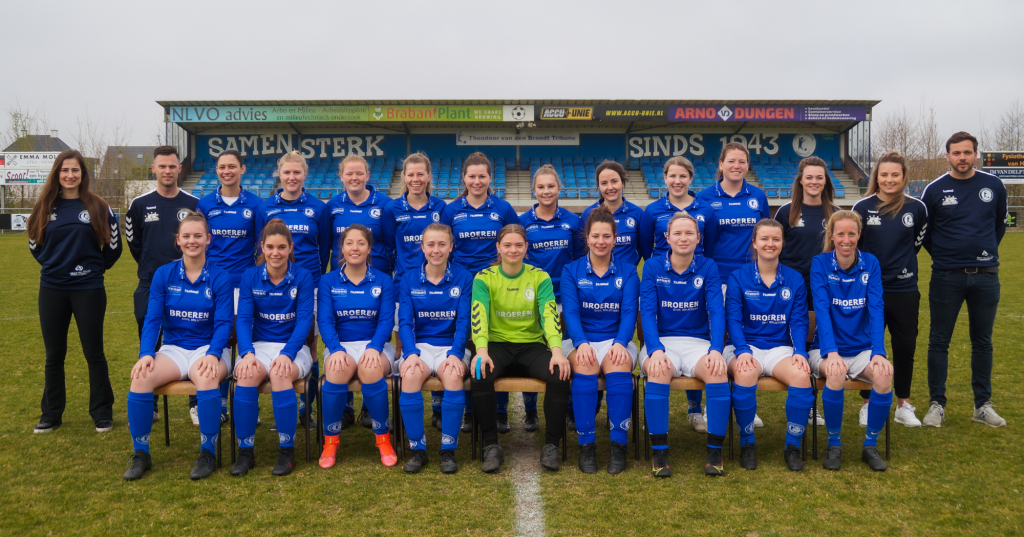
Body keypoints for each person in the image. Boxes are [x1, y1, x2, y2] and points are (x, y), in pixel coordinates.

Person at [122, 212, 233, 481]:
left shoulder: (220, 277)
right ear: (178, 240)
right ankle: (141, 454)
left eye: (198, 236)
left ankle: (208, 452)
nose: (192, 241)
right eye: (186, 236)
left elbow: (224, 324)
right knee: (141, 376)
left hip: (209, 349)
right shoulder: (164, 274)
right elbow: (152, 319)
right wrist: (146, 353)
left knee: (207, 378)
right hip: (174, 350)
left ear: (208, 239)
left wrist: (213, 353)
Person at [28, 150, 121, 434]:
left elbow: (114, 247)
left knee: (94, 352)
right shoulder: (44, 205)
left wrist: (93, 270)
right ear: (57, 173)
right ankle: (51, 414)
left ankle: (102, 413)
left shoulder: (98, 205)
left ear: (83, 174)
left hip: (89, 289)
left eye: (75, 171)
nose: (70, 175)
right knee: (54, 354)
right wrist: (53, 267)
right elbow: (34, 244)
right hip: (52, 289)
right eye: (65, 170)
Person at [919, 131, 1008, 427]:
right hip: (946, 277)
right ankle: (936, 405)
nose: (962, 158)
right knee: (938, 341)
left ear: (975, 154)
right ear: (947, 156)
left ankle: (982, 405)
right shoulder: (933, 190)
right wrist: (947, 257)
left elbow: (998, 226)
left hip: (986, 276)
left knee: (983, 342)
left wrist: (982, 254)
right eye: (956, 153)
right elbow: (925, 234)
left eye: (967, 152)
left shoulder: (993, 185)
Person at [470, 224, 570, 473]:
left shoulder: (539, 276)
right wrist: (481, 350)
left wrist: (556, 350)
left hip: (531, 346)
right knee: (480, 371)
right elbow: (478, 315)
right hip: (497, 346)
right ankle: (491, 445)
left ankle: (551, 445)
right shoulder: (484, 278)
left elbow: (549, 315)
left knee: (559, 373)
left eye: (518, 245)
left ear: (526, 248)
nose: (513, 250)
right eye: (507, 245)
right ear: (498, 248)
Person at [639, 212, 729, 477]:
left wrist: (715, 349)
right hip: (662, 342)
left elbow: (716, 311)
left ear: (699, 237)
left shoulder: (708, 266)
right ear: (666, 237)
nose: (683, 238)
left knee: (717, 371)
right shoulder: (654, 267)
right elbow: (647, 312)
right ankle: (660, 454)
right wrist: (655, 349)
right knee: (657, 371)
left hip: (698, 344)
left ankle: (714, 452)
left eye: (689, 233)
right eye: (677, 233)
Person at [440, 152, 521, 434]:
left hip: (495, 284)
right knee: (466, 344)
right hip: (461, 286)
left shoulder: (503, 208)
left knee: (494, 344)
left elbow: (513, 242)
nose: (477, 181)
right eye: (471, 176)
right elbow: (444, 248)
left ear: (490, 178)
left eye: (482, 176)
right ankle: (469, 410)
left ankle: (499, 412)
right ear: (463, 178)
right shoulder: (451, 211)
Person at [724, 219, 813, 472]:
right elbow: (733, 319)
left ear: (782, 243)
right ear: (754, 242)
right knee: (745, 371)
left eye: (776, 239)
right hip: (743, 346)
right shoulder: (738, 277)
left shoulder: (794, 279)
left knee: (801, 375)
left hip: (778, 348)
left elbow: (798, 321)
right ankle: (747, 443)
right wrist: (742, 350)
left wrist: (799, 352)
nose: (770, 244)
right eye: (764, 239)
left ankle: (792, 446)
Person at [230, 219, 315, 477]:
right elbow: (243, 319)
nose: (275, 253)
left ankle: (286, 451)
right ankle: (246, 452)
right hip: (257, 347)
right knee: (245, 374)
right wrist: (247, 353)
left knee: (280, 374)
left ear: (290, 248)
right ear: (262, 248)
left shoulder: (303, 276)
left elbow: (304, 322)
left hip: (294, 348)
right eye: (270, 247)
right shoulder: (250, 276)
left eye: (281, 247)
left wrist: (287, 354)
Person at [808, 211, 892, 472]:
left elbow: (877, 308)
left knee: (884, 375)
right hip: (824, 349)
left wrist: (878, 351)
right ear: (831, 236)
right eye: (840, 234)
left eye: (851, 234)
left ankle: (870, 445)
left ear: (859, 235)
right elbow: (821, 309)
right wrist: (831, 352)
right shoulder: (820, 263)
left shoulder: (871, 263)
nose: (846, 239)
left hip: (862, 350)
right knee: (835, 373)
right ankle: (834, 444)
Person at [638, 156, 715, 432]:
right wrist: (662, 268)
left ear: (691, 179)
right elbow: (647, 248)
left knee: (697, 333)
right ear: (665, 178)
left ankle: (695, 409)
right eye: (672, 176)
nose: (677, 181)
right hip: (661, 278)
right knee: (667, 327)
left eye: (683, 176)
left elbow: (711, 245)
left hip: (698, 276)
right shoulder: (652, 210)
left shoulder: (705, 209)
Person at [852, 151, 928, 428]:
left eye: (895, 174)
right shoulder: (862, 207)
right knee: (869, 348)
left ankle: (903, 404)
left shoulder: (917, 208)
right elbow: (855, 248)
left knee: (905, 346)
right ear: (876, 177)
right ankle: (867, 403)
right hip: (869, 291)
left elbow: (917, 243)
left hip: (905, 289)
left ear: (904, 176)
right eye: (884, 174)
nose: (889, 179)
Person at [560, 207, 638, 474]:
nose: (601, 241)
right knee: (585, 368)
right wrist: (581, 343)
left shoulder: (628, 271)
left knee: (618, 370)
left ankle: (618, 446)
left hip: (617, 339)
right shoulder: (571, 270)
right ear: (587, 237)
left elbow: (629, 311)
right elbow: (569, 311)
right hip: (581, 341)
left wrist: (620, 342)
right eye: (596, 236)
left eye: (607, 236)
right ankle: (586, 446)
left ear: (615, 238)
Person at [255, 151, 330, 428]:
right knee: (277, 339)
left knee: (309, 346)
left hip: (309, 285)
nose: (291, 177)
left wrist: (314, 279)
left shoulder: (318, 208)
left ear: (304, 174)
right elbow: (259, 247)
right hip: (275, 285)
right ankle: (282, 404)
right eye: (286, 172)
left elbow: (324, 248)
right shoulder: (265, 208)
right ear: (280, 174)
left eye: (296, 172)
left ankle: (305, 409)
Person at [125, 145, 199, 421]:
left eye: (172, 166)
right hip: (150, 284)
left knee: (193, 340)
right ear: (153, 169)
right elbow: (134, 243)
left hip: (189, 284)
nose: (167, 171)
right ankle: (151, 403)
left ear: (179, 169)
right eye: (162, 166)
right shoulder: (140, 204)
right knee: (150, 342)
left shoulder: (193, 204)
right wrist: (152, 271)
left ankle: (196, 403)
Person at [317, 224, 398, 468]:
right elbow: (325, 321)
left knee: (370, 369)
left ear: (369, 247)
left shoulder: (383, 280)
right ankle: (330, 442)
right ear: (341, 248)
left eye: (361, 243)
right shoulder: (328, 280)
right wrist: (336, 348)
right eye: (349, 243)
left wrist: (374, 347)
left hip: (376, 345)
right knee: (336, 369)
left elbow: (386, 320)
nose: (355, 248)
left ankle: (383, 439)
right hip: (340, 345)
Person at [396, 223, 473, 474]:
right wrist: (411, 353)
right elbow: (405, 322)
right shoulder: (408, 278)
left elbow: (464, 322)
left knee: (453, 375)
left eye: (442, 244)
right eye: (430, 244)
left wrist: (456, 353)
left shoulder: (463, 277)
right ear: (422, 247)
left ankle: (447, 450)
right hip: (419, 347)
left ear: (451, 246)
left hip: (451, 346)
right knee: (409, 375)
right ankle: (418, 450)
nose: (436, 250)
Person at [326, 154, 394, 429]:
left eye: (359, 173)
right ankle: (344, 407)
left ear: (368, 175)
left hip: (374, 282)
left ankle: (369, 407)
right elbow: (325, 244)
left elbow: (390, 245)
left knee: (371, 337)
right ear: (341, 176)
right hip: (341, 283)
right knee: (342, 338)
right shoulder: (331, 206)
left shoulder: (384, 205)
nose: (354, 178)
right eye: (348, 174)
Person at [196, 149, 262, 424]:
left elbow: (260, 245)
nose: (227, 171)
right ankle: (221, 405)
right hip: (215, 285)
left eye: (232, 166)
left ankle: (249, 406)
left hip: (245, 285)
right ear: (217, 170)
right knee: (220, 341)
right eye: (222, 166)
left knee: (247, 342)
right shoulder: (205, 204)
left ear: (242, 169)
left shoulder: (256, 205)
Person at [383, 153, 448, 430]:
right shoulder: (392, 209)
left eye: (421, 174)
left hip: (436, 284)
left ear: (429, 176)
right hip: (404, 287)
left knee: (437, 336)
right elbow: (388, 248)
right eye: (411, 174)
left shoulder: (441, 207)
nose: (416, 179)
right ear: (404, 177)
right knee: (405, 345)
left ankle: (437, 405)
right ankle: (405, 406)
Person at [774, 156, 838, 427]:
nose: (814, 182)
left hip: (823, 288)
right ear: (800, 180)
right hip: (791, 289)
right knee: (794, 344)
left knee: (816, 345)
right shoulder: (786, 212)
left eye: (819, 177)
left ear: (826, 181)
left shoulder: (833, 213)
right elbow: (773, 248)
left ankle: (811, 406)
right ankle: (802, 399)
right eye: (809, 177)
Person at [520, 164, 583, 432]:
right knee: (535, 350)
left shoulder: (573, 221)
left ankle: (568, 409)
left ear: (559, 188)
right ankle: (531, 411)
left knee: (566, 351)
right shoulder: (523, 222)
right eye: (541, 187)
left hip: (565, 298)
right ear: (534, 190)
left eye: (551, 186)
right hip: (533, 299)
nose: (546, 191)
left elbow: (580, 260)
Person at [697, 142, 770, 281]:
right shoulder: (704, 198)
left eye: (742, 162)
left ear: (747, 166)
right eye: (731, 161)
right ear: (721, 164)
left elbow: (765, 234)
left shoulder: (759, 196)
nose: (737, 166)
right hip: (716, 276)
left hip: (752, 276)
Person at [581, 160, 643, 267]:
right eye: (604, 183)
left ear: (622, 182)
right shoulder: (588, 214)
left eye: (614, 181)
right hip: (597, 278)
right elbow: (583, 249)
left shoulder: (637, 213)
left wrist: (629, 267)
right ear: (599, 186)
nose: (610, 187)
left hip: (627, 277)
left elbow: (642, 247)